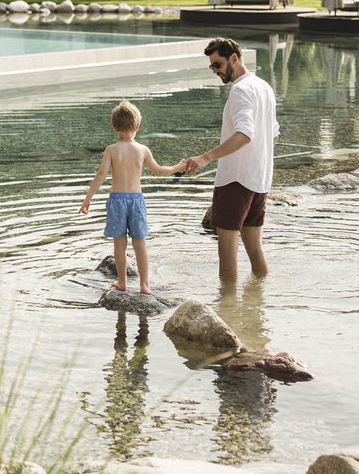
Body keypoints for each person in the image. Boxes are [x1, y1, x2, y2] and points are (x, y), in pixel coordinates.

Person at [184, 37, 279, 282]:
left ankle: (227, 310)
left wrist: (206, 158)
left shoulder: (240, 90)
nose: (215, 71)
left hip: (235, 181)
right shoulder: (264, 87)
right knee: (255, 249)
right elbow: (273, 135)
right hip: (259, 179)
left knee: (227, 253)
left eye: (217, 64)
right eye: (211, 67)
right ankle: (258, 305)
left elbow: (245, 134)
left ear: (234, 58)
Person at [79, 100, 186, 295]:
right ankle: (145, 285)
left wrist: (88, 198)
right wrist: (177, 168)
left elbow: (101, 175)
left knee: (119, 243)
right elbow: (159, 171)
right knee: (140, 242)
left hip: (117, 201)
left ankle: (122, 282)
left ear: (114, 127)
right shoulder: (142, 150)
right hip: (136, 200)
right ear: (137, 126)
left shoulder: (111, 150)